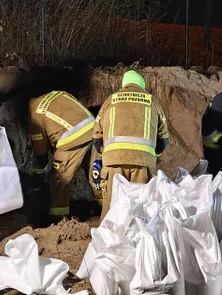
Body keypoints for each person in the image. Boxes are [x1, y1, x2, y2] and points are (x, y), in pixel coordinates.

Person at [92, 70, 170, 221]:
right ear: (142, 85)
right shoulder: (151, 101)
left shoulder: (110, 100)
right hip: (142, 162)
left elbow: (96, 136)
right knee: (139, 207)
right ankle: (137, 242)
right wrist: (154, 155)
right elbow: (164, 138)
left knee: (110, 207)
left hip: (113, 162)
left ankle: (107, 242)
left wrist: (105, 154)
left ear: (124, 84)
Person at [28, 90, 96, 221]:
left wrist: (38, 173)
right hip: (92, 126)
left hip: (72, 137)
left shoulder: (34, 114)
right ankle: (104, 208)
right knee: (95, 172)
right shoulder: (58, 93)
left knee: (59, 179)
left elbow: (40, 151)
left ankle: (58, 219)